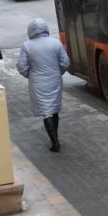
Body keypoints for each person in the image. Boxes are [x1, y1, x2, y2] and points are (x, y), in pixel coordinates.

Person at [16, 18, 70, 152]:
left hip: (37, 82)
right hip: (54, 80)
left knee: (46, 111)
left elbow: (21, 66)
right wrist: (58, 73)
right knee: (54, 107)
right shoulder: (55, 43)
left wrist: (30, 75)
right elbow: (65, 63)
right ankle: (56, 138)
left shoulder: (27, 46)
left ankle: (55, 142)